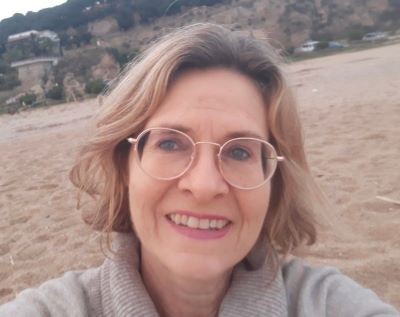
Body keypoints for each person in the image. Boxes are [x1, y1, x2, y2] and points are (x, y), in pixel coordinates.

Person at [0, 23, 398, 317]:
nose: (205, 185)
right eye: (170, 144)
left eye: (240, 152)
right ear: (125, 166)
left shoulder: (328, 305)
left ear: (274, 181)